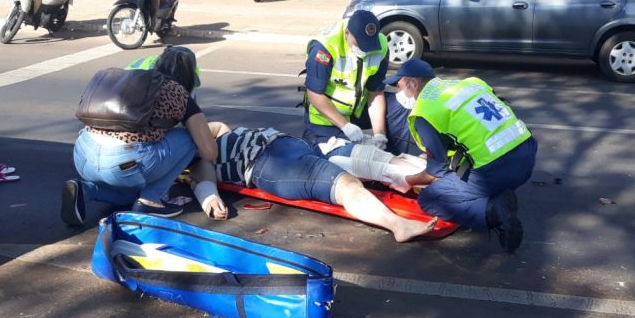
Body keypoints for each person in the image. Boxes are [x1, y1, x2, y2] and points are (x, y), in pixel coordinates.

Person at [188, 122, 436, 243]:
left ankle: (438, 175)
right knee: (346, 185)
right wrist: (210, 199)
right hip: (270, 163)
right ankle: (398, 226)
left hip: (296, 145)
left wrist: (202, 131)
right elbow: (203, 177)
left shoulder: (207, 135)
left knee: (374, 158)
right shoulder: (198, 160)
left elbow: (217, 127)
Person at [385, 59, 537, 253]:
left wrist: (406, 181)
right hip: (527, 153)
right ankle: (499, 192)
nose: (398, 93)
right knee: (463, 169)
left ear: (413, 83)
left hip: (498, 169)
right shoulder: (470, 83)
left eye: (399, 87)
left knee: (431, 198)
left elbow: (435, 173)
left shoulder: (424, 112)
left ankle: (494, 212)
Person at [61, 47, 218, 225]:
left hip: (83, 157)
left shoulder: (131, 81)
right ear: (190, 76)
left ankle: (85, 190)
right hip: (124, 165)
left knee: (131, 196)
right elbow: (209, 152)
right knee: (190, 137)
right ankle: (151, 200)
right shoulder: (179, 92)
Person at [302, 9, 389, 160]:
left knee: (396, 110)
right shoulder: (324, 47)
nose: (364, 49)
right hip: (325, 118)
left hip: (355, 112)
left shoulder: (381, 45)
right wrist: (345, 126)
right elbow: (315, 94)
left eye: (368, 45)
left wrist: (380, 134)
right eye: (359, 43)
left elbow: (375, 92)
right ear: (347, 33)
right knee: (343, 158)